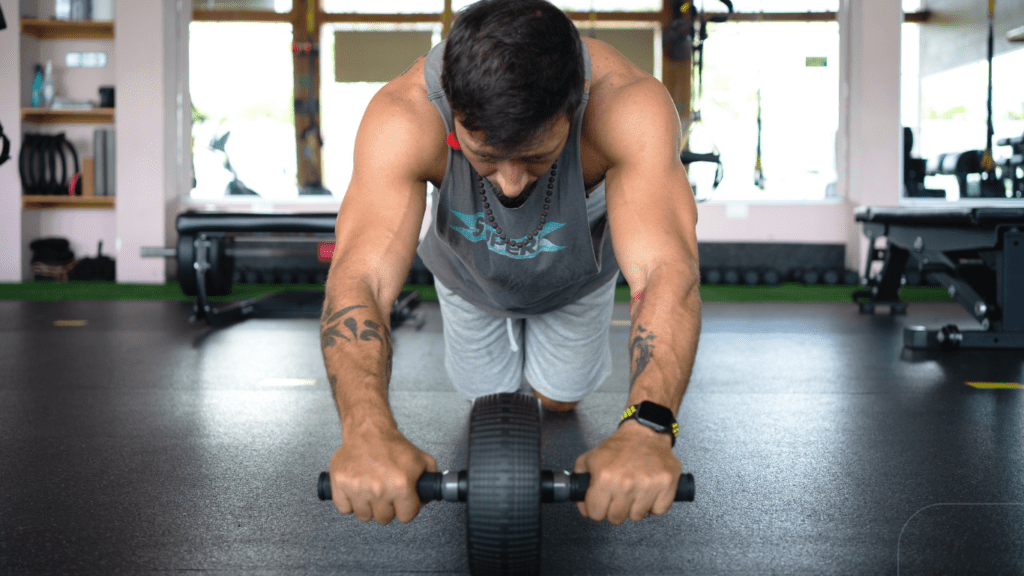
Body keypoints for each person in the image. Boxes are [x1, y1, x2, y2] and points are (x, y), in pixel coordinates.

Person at [321, 0, 701, 528]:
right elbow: (359, 275)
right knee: (489, 400)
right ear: (454, 109)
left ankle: (555, 376)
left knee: (559, 399)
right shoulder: (403, 116)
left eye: (535, 158)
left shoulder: (628, 107)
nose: (510, 183)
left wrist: (649, 428)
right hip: (467, 274)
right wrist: (364, 430)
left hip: (576, 273)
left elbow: (667, 271)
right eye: (485, 156)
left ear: (576, 103)